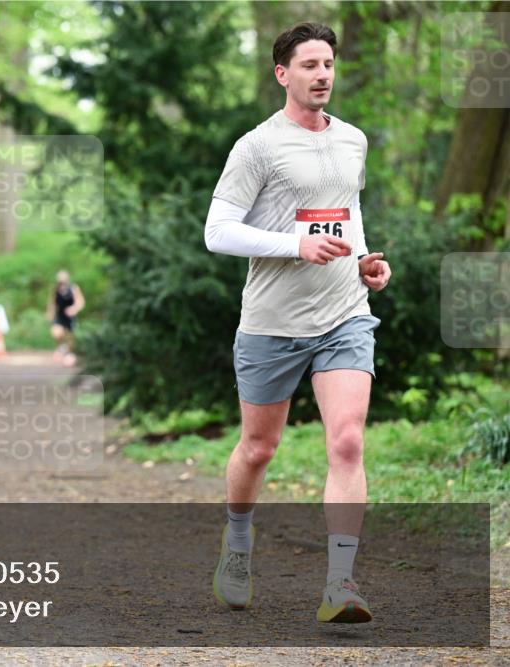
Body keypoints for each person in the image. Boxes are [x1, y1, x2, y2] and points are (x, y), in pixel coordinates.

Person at [204, 23, 390, 623]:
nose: (323, 75)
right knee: (259, 448)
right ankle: (237, 541)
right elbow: (219, 231)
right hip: (272, 321)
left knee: (347, 440)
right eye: (309, 65)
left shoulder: (353, 140)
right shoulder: (256, 146)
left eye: (328, 64)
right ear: (283, 74)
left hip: (343, 314)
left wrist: (363, 260)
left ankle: (341, 583)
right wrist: (295, 244)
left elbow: (348, 208)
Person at [46, 270, 84, 367]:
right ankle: (62, 348)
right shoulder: (55, 289)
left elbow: (80, 302)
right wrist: (50, 313)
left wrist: (74, 309)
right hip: (60, 316)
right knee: (56, 333)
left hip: (70, 317)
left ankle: (68, 353)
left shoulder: (74, 288)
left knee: (70, 338)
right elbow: (52, 303)